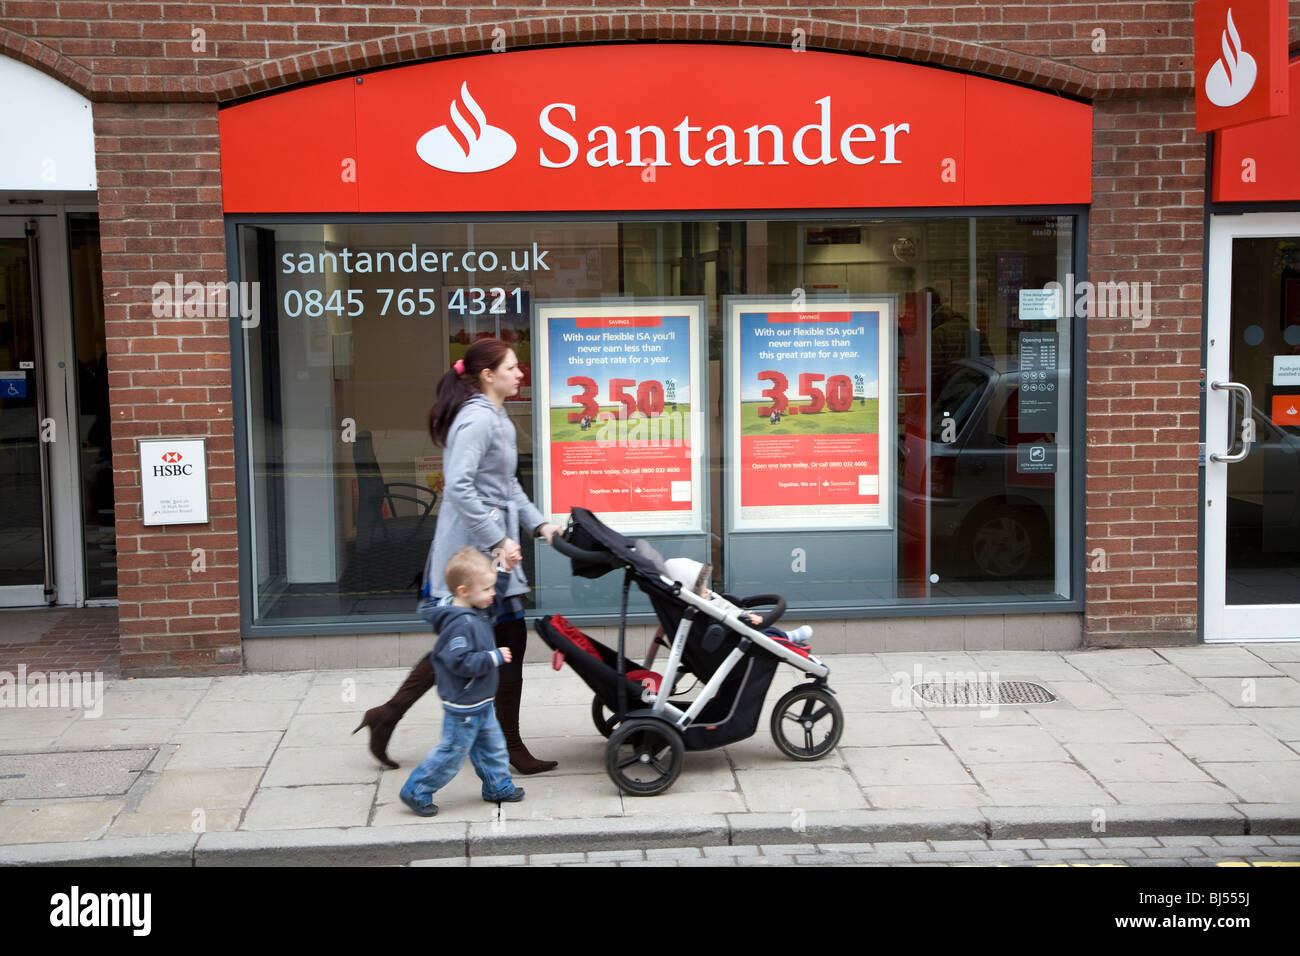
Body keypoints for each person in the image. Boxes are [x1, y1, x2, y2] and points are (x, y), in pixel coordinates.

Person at [354, 338, 562, 773]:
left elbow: (508, 487)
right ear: (487, 375)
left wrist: (538, 524)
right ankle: (507, 749)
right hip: (473, 555)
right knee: (494, 641)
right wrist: (498, 540)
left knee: (484, 642)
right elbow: (459, 485)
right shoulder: (477, 420)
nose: (520, 373)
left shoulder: (498, 418)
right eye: (512, 367)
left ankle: (389, 715)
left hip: (490, 555)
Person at [399, 547, 524, 816]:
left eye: (491, 587)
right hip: (464, 706)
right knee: (451, 754)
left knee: (492, 747)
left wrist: (502, 566)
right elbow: (461, 663)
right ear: (464, 591)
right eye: (486, 589)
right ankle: (416, 790)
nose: (492, 594)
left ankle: (497, 786)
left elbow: (495, 591)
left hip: (481, 700)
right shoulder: (459, 625)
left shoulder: (476, 608)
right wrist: (493, 657)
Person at [662, 557, 813, 647]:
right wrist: (747, 618)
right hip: (735, 632)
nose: (707, 590)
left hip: (735, 621)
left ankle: (783, 636)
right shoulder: (701, 608)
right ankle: (786, 638)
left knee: (764, 631)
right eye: (703, 589)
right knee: (766, 633)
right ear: (691, 594)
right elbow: (725, 618)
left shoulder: (700, 604)